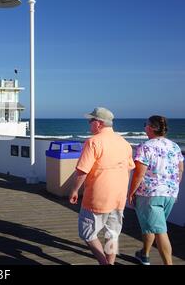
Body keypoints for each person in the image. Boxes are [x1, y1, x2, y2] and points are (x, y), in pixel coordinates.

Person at [69, 107, 135, 265]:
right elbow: (129, 168)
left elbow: (82, 171)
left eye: (90, 121)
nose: (89, 124)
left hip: (97, 197)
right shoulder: (125, 143)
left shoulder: (93, 142)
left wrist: (74, 190)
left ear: (98, 123)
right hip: (118, 198)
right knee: (112, 234)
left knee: (87, 233)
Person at [128, 115, 184, 265]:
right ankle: (144, 254)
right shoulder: (175, 146)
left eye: (146, 124)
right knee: (153, 225)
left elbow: (139, 173)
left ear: (152, 128)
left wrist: (131, 192)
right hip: (170, 194)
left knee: (159, 230)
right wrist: (174, 188)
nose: (145, 127)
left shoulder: (146, 147)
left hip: (150, 194)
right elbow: (180, 170)